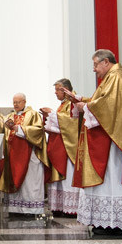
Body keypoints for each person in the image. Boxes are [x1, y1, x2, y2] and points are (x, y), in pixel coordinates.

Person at [69, 50, 122, 232]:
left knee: (112, 177)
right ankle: (106, 222)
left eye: (95, 65)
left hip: (115, 141)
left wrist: (86, 106)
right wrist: (81, 100)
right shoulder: (111, 77)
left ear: (106, 61)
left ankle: (114, 224)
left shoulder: (117, 76)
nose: (94, 69)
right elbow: (101, 101)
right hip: (110, 136)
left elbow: (108, 106)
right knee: (108, 178)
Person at [0, 93, 49, 217]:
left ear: (24, 102)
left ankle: (30, 211)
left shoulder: (33, 114)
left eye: (18, 102)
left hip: (30, 155)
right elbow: (4, 131)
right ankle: (15, 209)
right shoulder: (10, 116)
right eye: (14, 102)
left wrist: (19, 129)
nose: (15, 104)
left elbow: (38, 130)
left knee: (29, 182)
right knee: (14, 180)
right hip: (13, 155)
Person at [42, 78, 81, 216]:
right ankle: (59, 207)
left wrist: (51, 114)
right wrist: (48, 118)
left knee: (68, 177)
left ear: (66, 90)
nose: (55, 92)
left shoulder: (73, 103)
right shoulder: (63, 105)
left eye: (58, 90)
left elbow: (71, 125)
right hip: (60, 147)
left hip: (69, 148)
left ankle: (71, 209)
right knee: (60, 179)